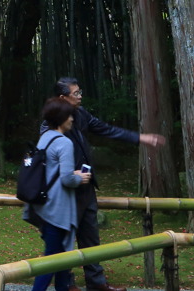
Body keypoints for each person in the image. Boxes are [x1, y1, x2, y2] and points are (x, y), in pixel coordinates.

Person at [51, 76, 167, 291]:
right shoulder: (50, 121)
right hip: (65, 190)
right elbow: (44, 156)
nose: (80, 96)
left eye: (80, 91)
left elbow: (106, 129)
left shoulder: (81, 114)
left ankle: (96, 283)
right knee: (64, 240)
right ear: (62, 97)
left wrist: (141, 138)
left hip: (86, 187)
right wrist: (66, 172)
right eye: (75, 93)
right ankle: (66, 284)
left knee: (91, 237)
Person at [23, 97, 92, 291]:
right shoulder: (64, 142)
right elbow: (66, 179)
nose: (72, 119)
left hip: (43, 207)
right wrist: (80, 177)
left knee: (62, 263)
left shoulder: (45, 137)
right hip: (57, 210)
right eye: (69, 115)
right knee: (52, 260)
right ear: (61, 118)